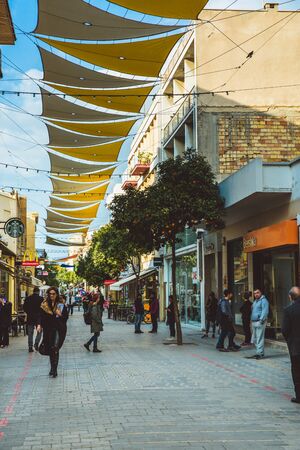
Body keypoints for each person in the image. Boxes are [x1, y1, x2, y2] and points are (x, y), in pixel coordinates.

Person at [37, 287, 68, 378]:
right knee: (51, 349)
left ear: (57, 294)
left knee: (55, 348)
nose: (51, 295)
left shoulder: (61, 305)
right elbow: (40, 316)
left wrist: (60, 314)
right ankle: (52, 368)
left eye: (53, 294)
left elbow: (65, 318)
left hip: (58, 329)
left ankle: (54, 370)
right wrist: (39, 324)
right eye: (50, 294)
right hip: (48, 329)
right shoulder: (44, 304)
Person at [282, 286, 300, 404]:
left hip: (295, 346)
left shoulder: (289, 310)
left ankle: (299, 396)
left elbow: (284, 330)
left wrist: (289, 340)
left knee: (296, 370)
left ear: (290, 297)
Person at [247, 288, 269, 360]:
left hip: (259, 322)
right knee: (255, 339)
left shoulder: (264, 301)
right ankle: (259, 352)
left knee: (259, 338)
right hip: (253, 322)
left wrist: (261, 320)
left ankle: (260, 353)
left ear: (261, 293)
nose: (256, 294)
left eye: (257, 293)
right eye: (255, 293)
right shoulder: (255, 301)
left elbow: (265, 311)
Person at [23, 287, 43, 352]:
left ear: (33, 291)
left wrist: (29, 312)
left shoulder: (28, 298)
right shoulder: (41, 299)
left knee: (30, 333)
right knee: (39, 332)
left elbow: (24, 308)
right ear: (38, 292)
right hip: (38, 318)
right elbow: (43, 309)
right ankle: (36, 343)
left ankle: (30, 346)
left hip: (30, 317)